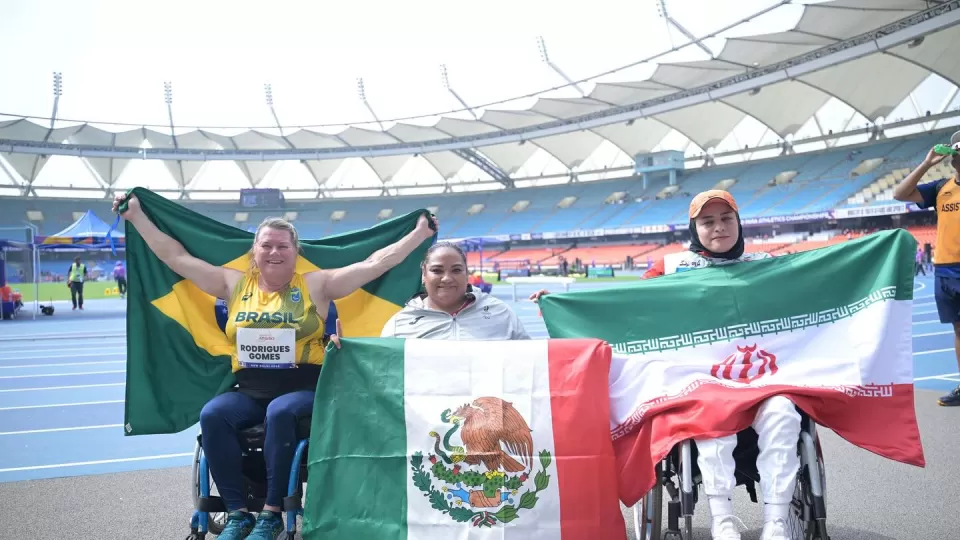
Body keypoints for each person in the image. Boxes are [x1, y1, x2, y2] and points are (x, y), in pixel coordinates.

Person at [112, 192, 437, 540]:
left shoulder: (317, 285)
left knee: (281, 412)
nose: (274, 252)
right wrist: (137, 218)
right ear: (255, 250)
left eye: (283, 246)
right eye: (267, 245)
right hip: (250, 389)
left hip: (305, 388)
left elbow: (375, 265)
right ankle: (238, 514)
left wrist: (419, 234)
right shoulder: (232, 284)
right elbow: (175, 257)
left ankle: (271, 513)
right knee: (213, 414)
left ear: (296, 252)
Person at [530, 190, 798, 540]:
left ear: (738, 223)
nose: (718, 228)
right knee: (711, 413)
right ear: (694, 228)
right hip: (698, 383)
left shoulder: (765, 265)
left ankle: (777, 522)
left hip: (761, 380)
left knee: (784, 412)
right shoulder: (669, 268)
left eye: (726, 219)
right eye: (708, 222)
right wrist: (565, 305)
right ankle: (723, 520)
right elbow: (627, 307)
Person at [893, 131, 960, 406]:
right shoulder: (942, 187)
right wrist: (926, 164)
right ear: (953, 160)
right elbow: (899, 194)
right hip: (945, 270)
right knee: (958, 330)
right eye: (957, 156)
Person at [379, 242, 529, 340]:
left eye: (456, 270)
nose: (447, 278)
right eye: (437, 270)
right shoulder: (399, 325)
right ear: (424, 274)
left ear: (467, 274)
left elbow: (529, 363)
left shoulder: (501, 313)